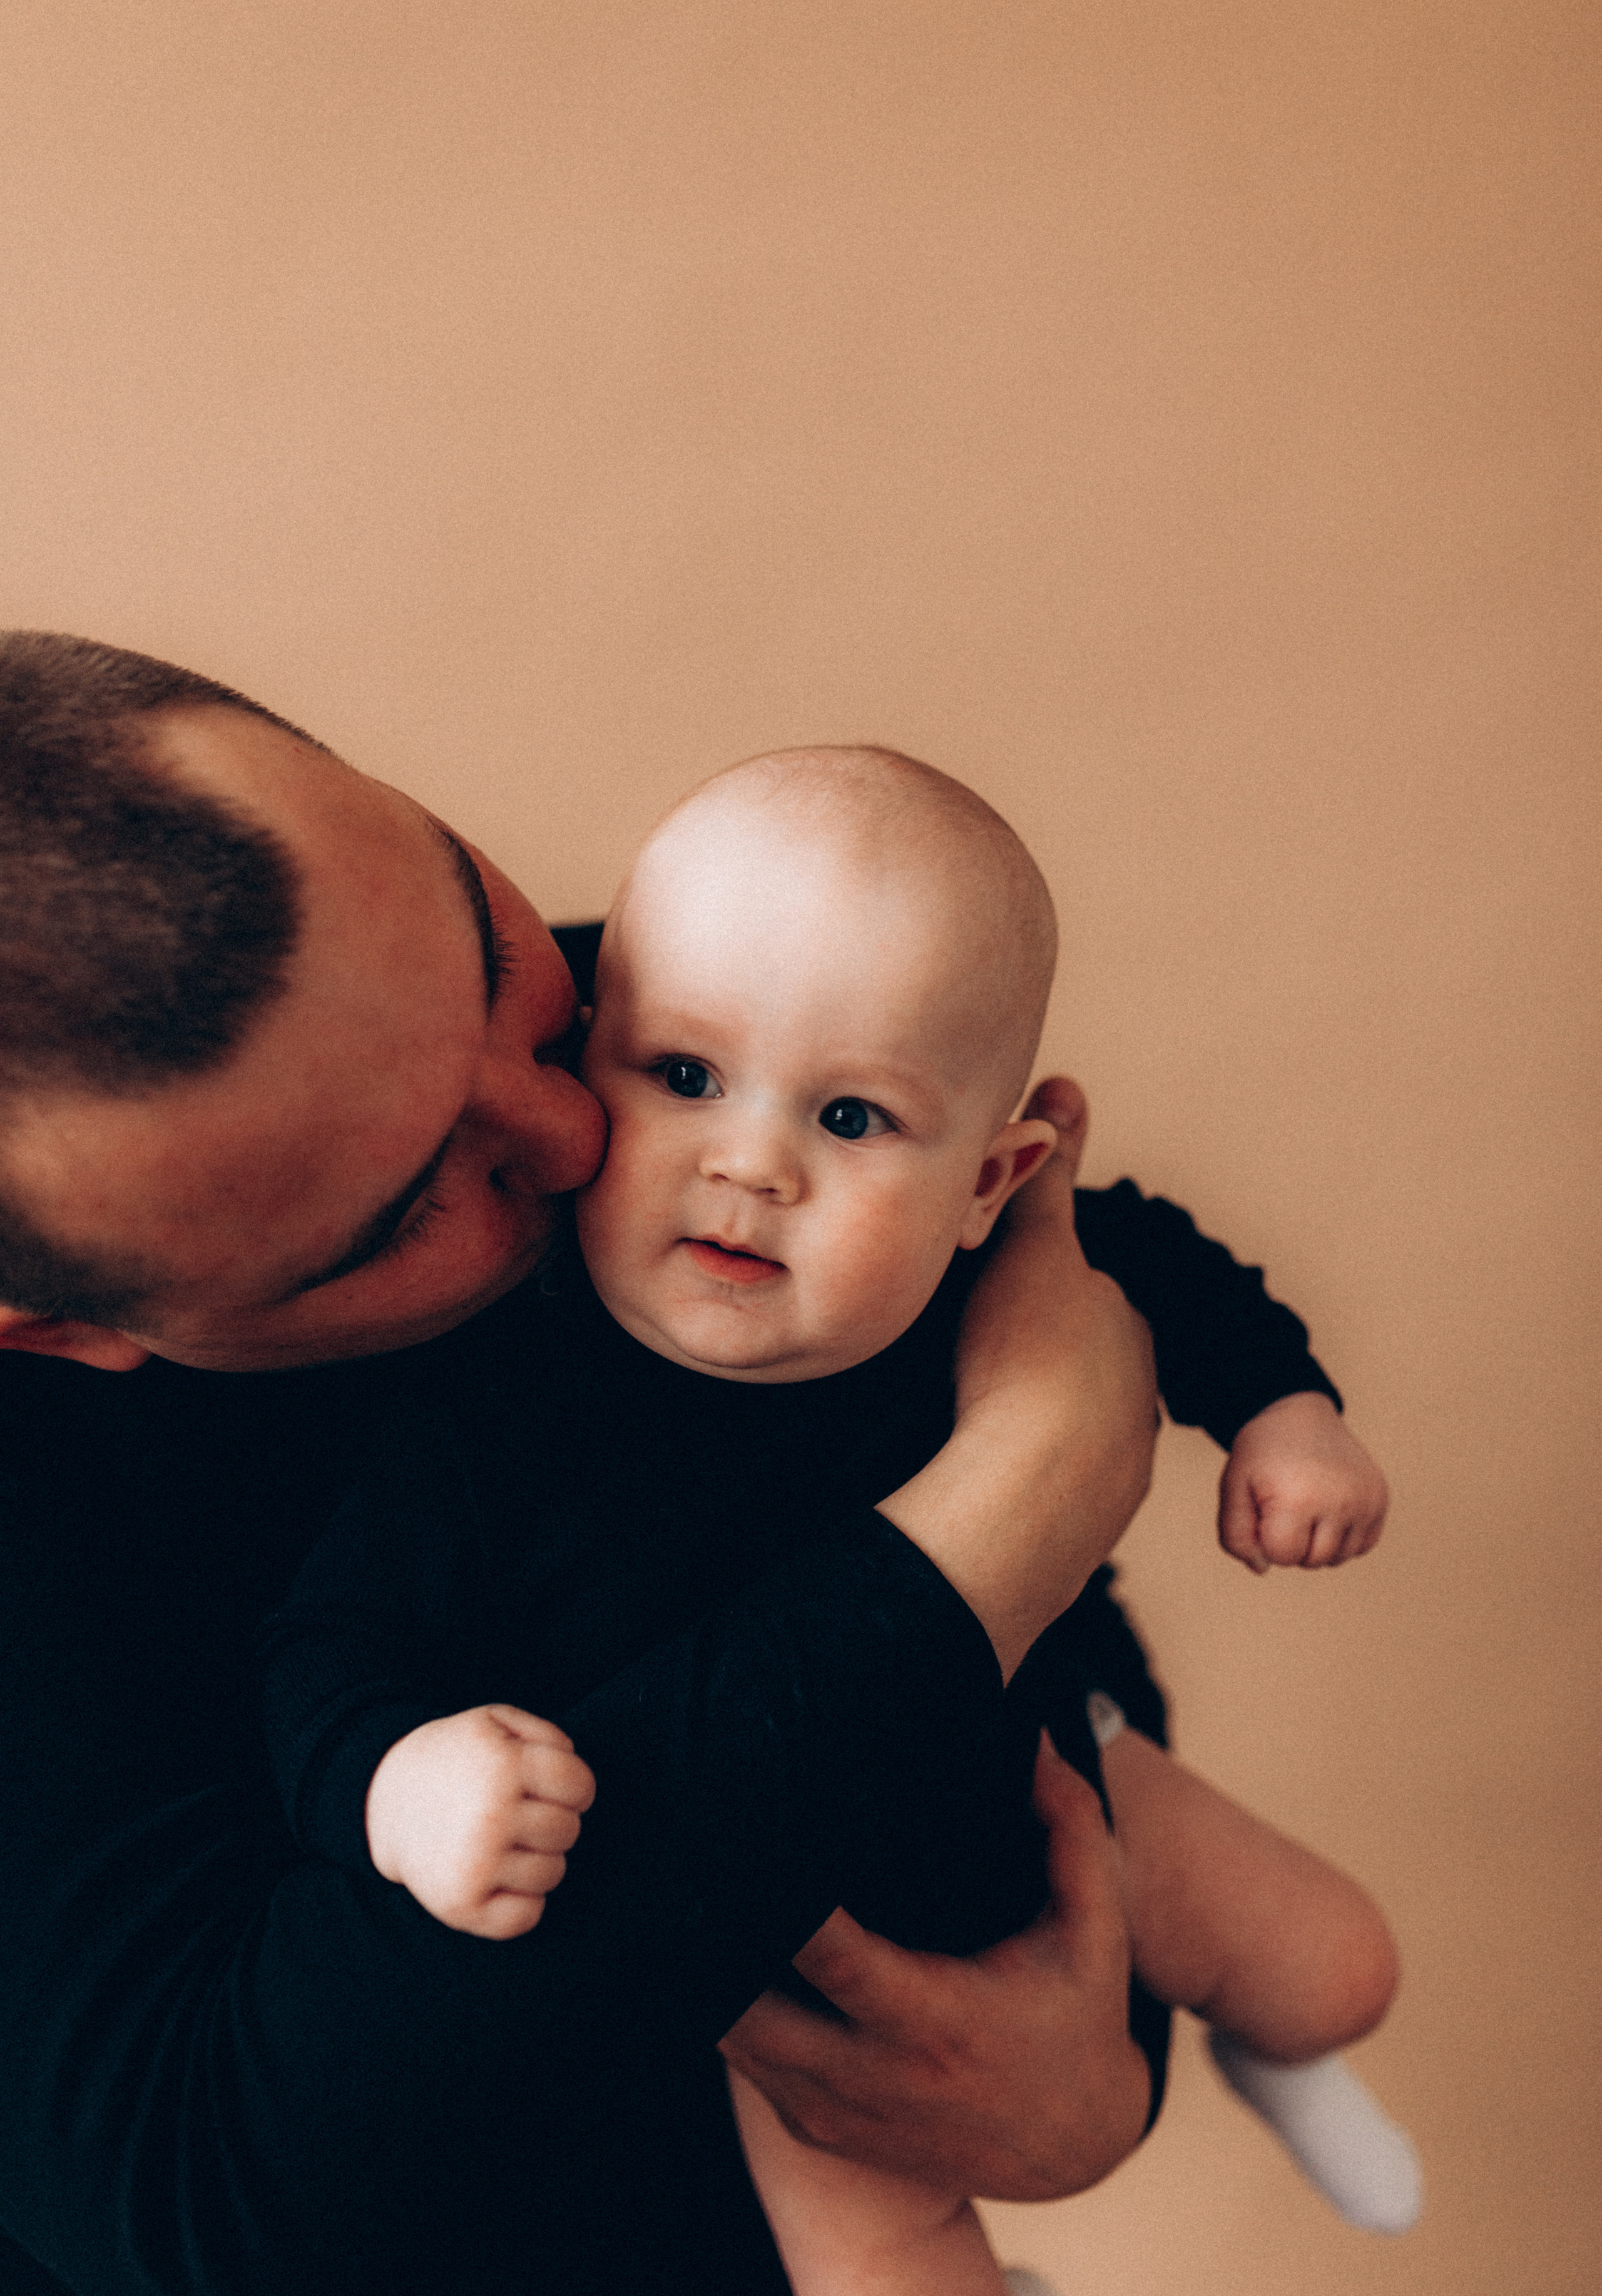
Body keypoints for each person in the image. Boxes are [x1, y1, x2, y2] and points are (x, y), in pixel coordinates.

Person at [0, 631, 1160, 2296]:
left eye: (488, 953)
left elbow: (1052, 1678)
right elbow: (211, 2202)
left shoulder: (663, 1023)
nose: (573, 1135)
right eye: (416, 1202)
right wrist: (1023, 1491)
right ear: (54, 1330)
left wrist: (1089, 2081)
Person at [257, 747, 1420, 2296]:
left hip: (1035, 1765)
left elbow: (1159, 1262)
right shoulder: (499, 1398)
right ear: (588, 1064)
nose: (751, 1165)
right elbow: (331, 1650)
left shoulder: (984, 1275)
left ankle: (1277, 2061)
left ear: (989, 1179)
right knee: (887, 2262)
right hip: (779, 1940)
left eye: (854, 1117)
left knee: (1338, 1969)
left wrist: (1284, 1411)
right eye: (684, 1078)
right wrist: (404, 1785)